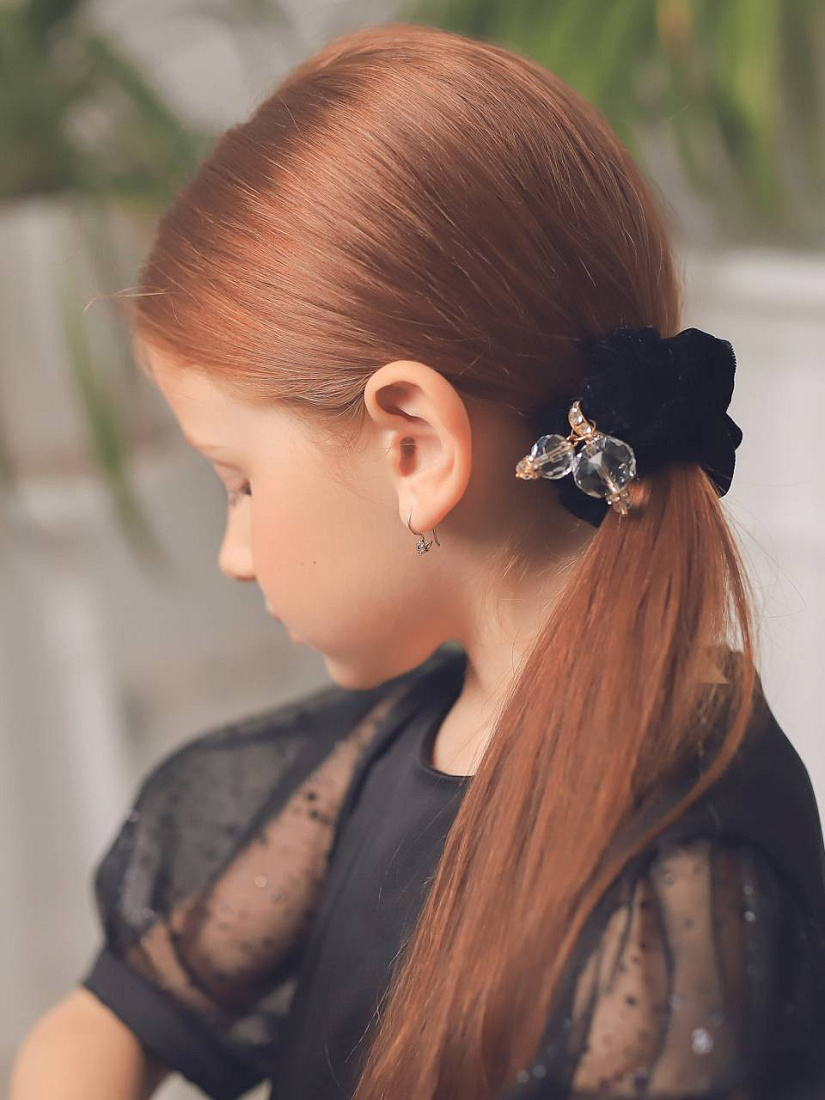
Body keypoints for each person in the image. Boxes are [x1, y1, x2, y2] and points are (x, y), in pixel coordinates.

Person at [11, 20, 825, 1100]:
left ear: (418, 449)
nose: (234, 555)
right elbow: (97, 1023)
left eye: (239, 483)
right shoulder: (399, 741)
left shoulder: (682, 873)